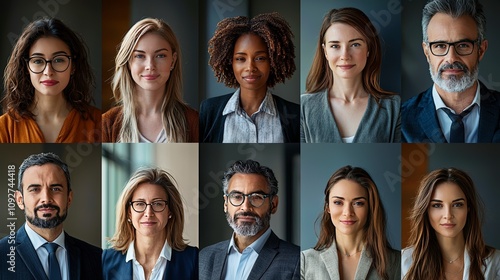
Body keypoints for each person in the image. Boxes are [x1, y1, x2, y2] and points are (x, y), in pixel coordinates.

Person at [402, 0, 500, 143]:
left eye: (463, 45)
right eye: (440, 45)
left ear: (481, 50)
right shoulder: (402, 118)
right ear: (427, 52)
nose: (451, 58)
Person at [301, 8, 401, 143]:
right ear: (325, 52)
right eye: (335, 46)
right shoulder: (303, 107)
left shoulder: (394, 107)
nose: (345, 56)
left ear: (368, 49)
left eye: (355, 44)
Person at [200, 12, 300, 143]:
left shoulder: (296, 114)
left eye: (260, 58)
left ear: (273, 61)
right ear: (231, 62)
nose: (250, 67)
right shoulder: (209, 110)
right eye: (241, 58)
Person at [0, 152, 102, 279]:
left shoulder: (97, 258)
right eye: (35, 189)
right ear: (20, 200)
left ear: (69, 198)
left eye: (55, 189)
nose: (46, 199)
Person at [0, 18, 101, 143]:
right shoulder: (5, 128)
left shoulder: (98, 122)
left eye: (58, 60)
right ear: (26, 67)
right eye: (38, 61)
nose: (48, 71)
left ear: (73, 66)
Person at [102, 18, 199, 143]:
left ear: (173, 61)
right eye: (140, 56)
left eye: (160, 56)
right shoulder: (106, 123)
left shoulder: (194, 121)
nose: (150, 65)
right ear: (128, 63)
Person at [199, 160, 299, 279]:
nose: (245, 207)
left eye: (256, 197)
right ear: (226, 203)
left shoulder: (297, 261)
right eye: (237, 197)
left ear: (273, 204)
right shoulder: (204, 257)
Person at [301, 166, 400, 279]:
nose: (347, 212)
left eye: (358, 203)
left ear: (370, 208)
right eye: (338, 202)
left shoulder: (395, 262)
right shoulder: (305, 261)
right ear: (327, 207)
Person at [402, 168, 500, 279]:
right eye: (437, 205)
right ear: (426, 210)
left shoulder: (496, 263)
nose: (448, 215)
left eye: (457, 204)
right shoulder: (404, 262)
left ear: (468, 208)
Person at [102, 167, 198, 280]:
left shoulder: (194, 259)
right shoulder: (104, 261)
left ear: (170, 211)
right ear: (129, 212)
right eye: (140, 204)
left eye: (157, 204)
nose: (148, 213)